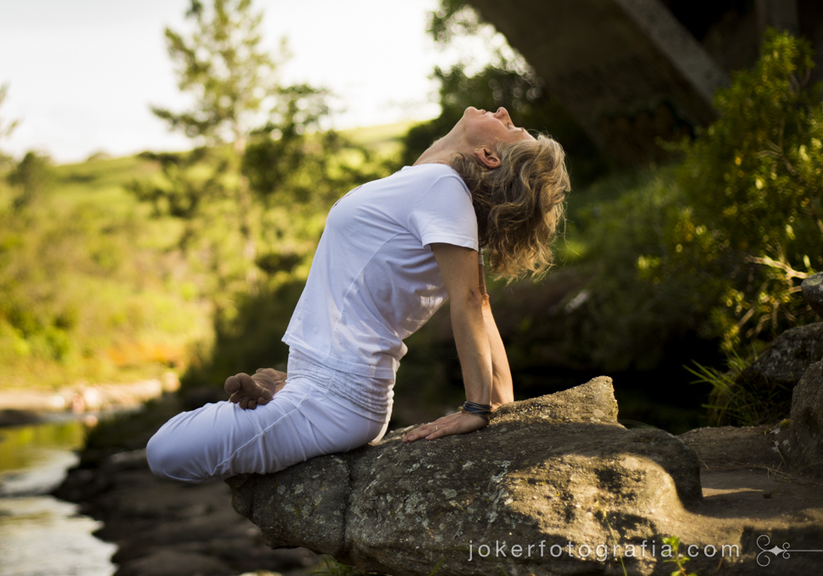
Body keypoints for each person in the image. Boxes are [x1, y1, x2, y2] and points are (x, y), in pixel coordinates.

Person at [146, 106, 570, 483]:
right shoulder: (429, 185)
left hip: (337, 399)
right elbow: (482, 305)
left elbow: (473, 301)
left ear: (490, 156)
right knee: (175, 443)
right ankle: (282, 383)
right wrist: (502, 406)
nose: (502, 112)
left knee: (164, 450)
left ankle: (291, 392)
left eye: (512, 128)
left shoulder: (441, 186)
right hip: (322, 388)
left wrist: (480, 410)